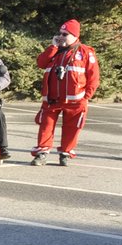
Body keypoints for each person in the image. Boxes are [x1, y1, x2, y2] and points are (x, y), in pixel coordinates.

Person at [31, 19, 100, 166]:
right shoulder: (54, 51)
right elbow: (41, 63)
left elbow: (94, 76)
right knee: (46, 126)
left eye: (65, 34)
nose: (61, 36)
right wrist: (53, 47)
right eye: (60, 33)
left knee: (72, 128)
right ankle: (42, 153)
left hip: (76, 100)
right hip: (52, 99)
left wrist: (86, 96)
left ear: (75, 36)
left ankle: (65, 153)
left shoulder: (85, 52)